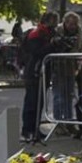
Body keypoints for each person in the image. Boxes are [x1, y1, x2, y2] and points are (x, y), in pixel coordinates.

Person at [20, 12, 59, 142]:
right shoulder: (35, 34)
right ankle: (27, 130)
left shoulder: (49, 33)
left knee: (40, 102)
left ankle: (35, 128)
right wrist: (52, 45)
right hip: (34, 72)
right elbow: (36, 53)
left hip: (43, 72)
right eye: (53, 20)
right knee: (31, 101)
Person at [50, 11, 82, 130]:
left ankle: (69, 122)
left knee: (69, 95)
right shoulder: (58, 30)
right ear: (65, 22)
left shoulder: (79, 31)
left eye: (75, 24)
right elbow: (54, 46)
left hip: (70, 67)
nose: (73, 26)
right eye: (71, 24)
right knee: (58, 96)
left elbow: (79, 47)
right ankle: (59, 123)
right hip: (58, 67)